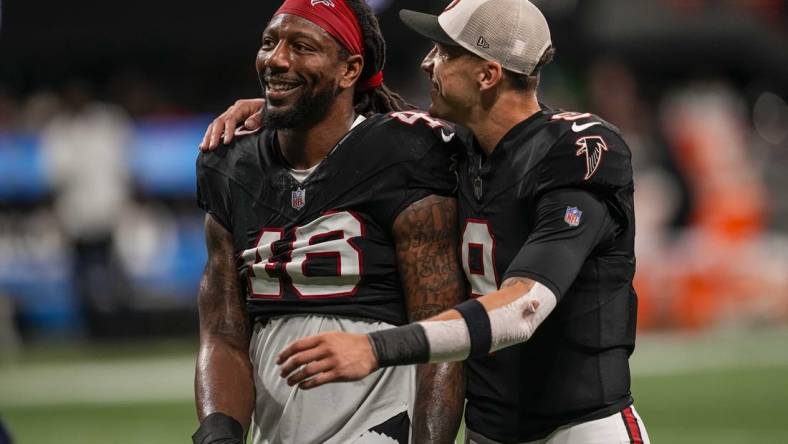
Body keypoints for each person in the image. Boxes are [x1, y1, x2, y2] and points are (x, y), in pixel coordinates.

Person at [203, 1, 650, 443]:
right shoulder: (457, 150)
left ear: (487, 74)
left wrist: (376, 349)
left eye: (444, 51)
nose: (426, 62)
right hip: (488, 431)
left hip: (581, 427)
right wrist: (283, 102)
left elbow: (524, 308)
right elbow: (361, 131)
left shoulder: (577, 151)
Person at [192, 1, 465, 443]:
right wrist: (219, 433)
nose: (277, 59)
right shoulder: (229, 163)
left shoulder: (406, 154)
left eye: (302, 47)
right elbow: (223, 330)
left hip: (380, 428)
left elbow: (442, 332)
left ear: (349, 69)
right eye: (269, 42)